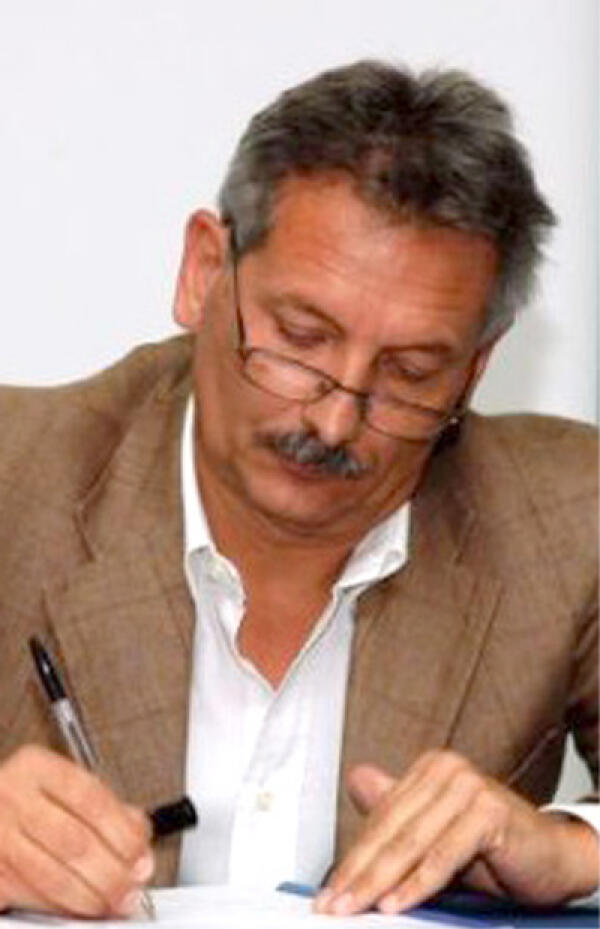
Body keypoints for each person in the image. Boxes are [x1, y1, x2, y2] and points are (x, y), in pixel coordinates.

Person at [0, 59, 597, 919]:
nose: (335, 420)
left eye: (410, 372)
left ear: (475, 369)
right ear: (205, 271)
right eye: (301, 337)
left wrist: (576, 845)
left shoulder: (568, 520)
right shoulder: (20, 473)